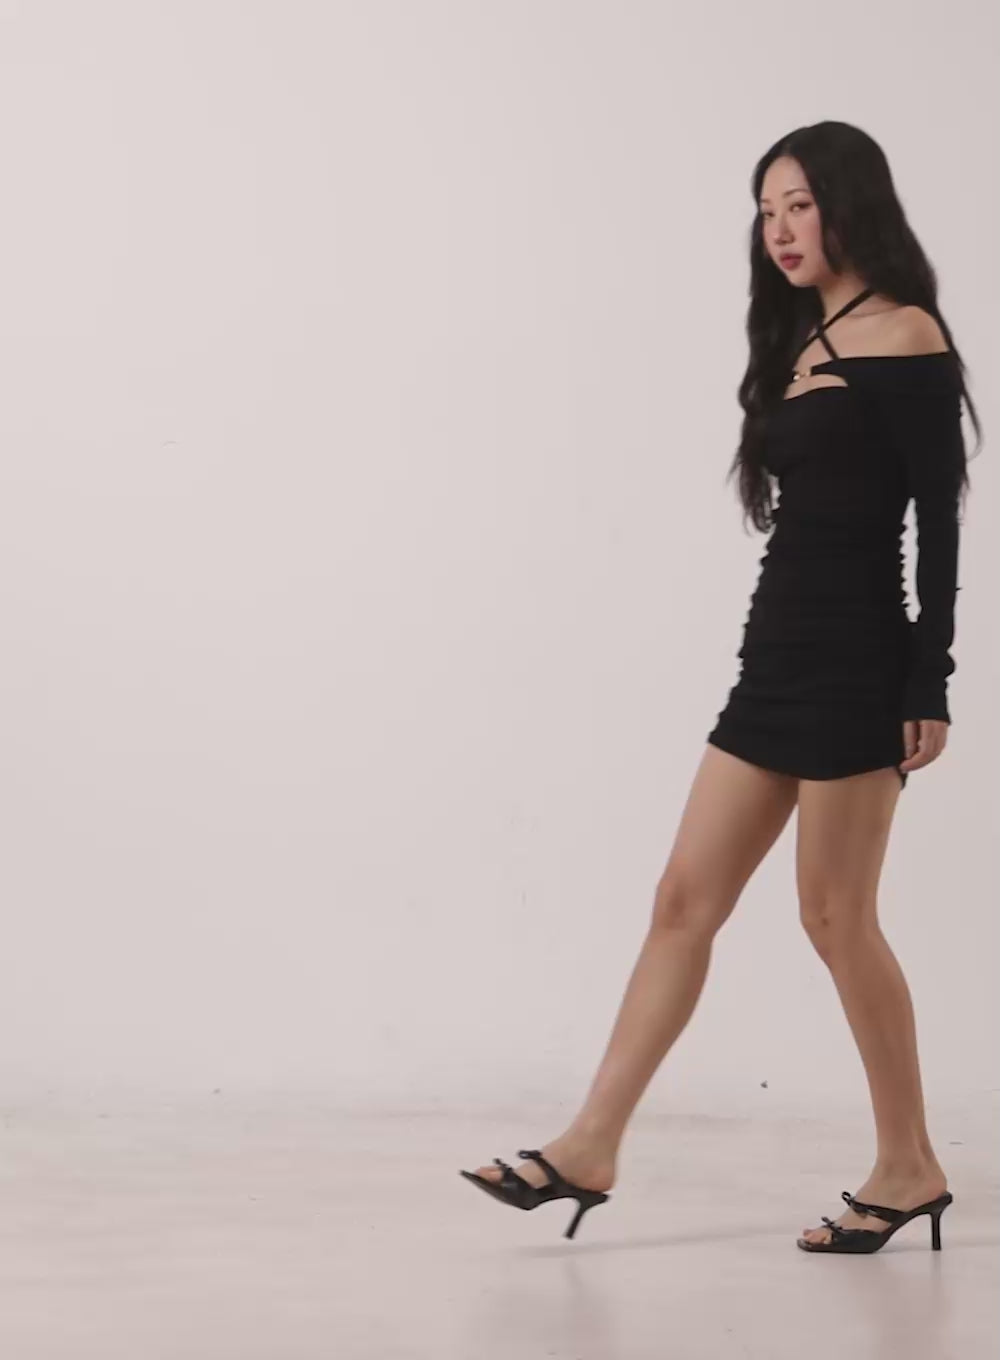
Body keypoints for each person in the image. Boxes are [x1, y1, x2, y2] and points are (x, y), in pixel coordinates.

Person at [459, 121, 981, 1253]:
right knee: (681, 901)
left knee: (835, 919)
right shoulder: (798, 335)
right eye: (766, 210)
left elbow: (938, 522)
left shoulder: (905, 332)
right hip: (774, 660)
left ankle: (908, 1164)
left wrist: (927, 678)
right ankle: (591, 1144)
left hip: (858, 665)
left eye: (800, 205)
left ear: (849, 203)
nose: (780, 230)